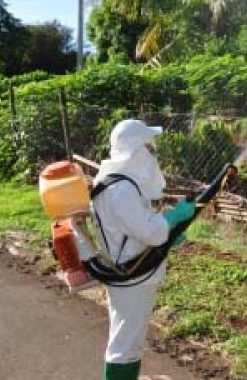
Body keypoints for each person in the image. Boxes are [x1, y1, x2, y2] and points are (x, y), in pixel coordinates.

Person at [91, 119, 190, 380]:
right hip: (133, 274)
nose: (152, 153)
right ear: (135, 149)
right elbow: (151, 232)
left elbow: (134, 226)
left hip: (128, 269)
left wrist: (170, 232)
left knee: (127, 339)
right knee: (125, 344)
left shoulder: (112, 181)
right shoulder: (120, 189)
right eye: (148, 147)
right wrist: (174, 219)